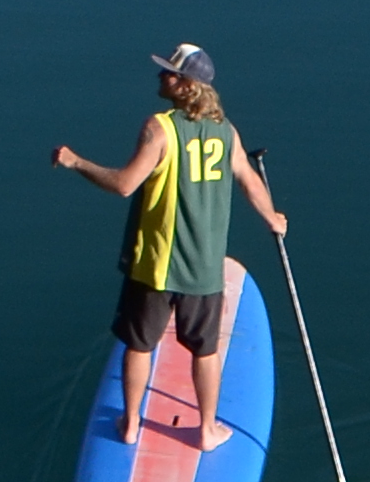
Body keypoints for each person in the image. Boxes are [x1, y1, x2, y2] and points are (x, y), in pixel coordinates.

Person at [51, 42, 282, 449]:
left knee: (139, 345)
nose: (160, 77)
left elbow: (125, 185)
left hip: (156, 266)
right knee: (204, 351)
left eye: (169, 73)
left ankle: (131, 423)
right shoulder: (226, 131)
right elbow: (248, 178)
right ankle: (208, 430)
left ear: (186, 86)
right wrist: (272, 218)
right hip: (205, 267)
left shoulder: (160, 127)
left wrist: (76, 163)